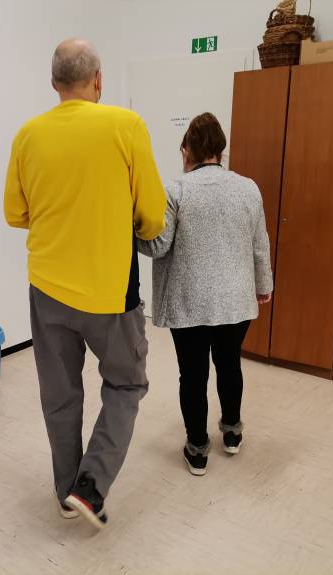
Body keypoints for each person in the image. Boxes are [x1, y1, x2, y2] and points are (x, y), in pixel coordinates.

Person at [4, 38, 166, 529]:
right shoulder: (126, 125)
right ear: (98, 80)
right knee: (126, 382)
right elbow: (153, 217)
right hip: (109, 291)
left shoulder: (27, 135)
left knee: (60, 394)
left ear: (54, 83)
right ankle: (90, 487)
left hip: (47, 289)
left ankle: (65, 492)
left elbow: (15, 214)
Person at [138, 112, 273, 477]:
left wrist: (133, 230)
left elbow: (158, 246)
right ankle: (232, 433)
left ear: (187, 151)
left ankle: (197, 450)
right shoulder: (249, 188)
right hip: (236, 301)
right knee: (229, 365)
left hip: (189, 303)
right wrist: (264, 285)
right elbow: (260, 244)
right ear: (220, 150)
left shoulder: (175, 191)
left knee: (193, 376)